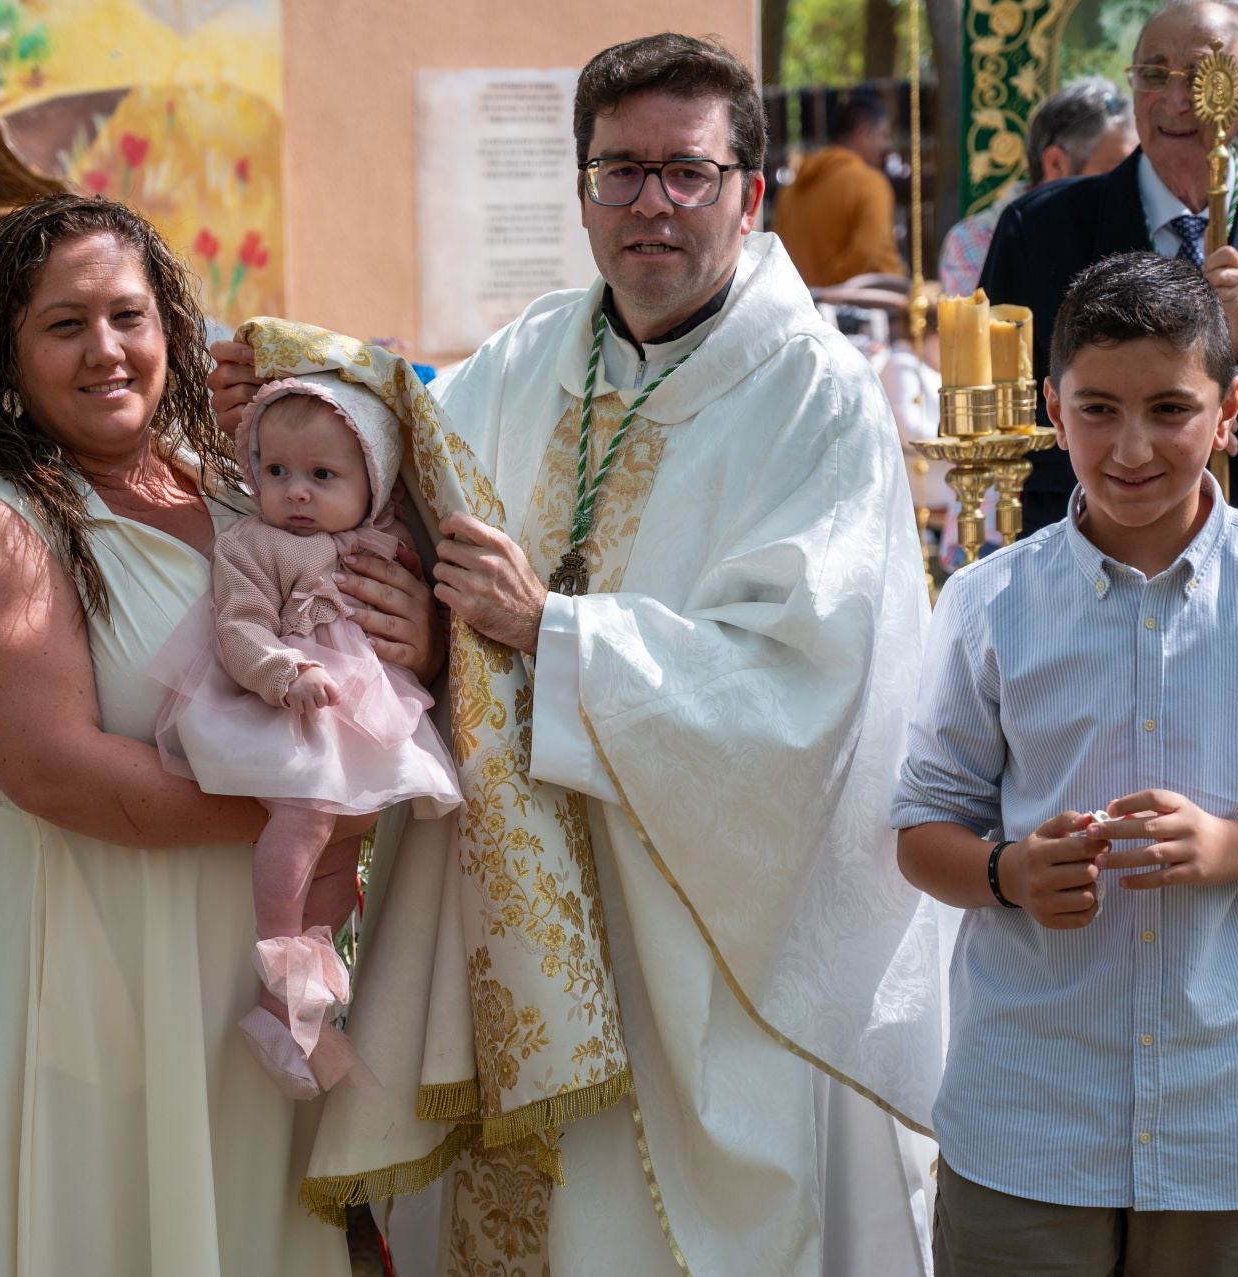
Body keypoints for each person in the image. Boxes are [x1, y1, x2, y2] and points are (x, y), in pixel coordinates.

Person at [214, 32, 948, 1277]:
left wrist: (553, 631)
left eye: (686, 172)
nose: (650, 203)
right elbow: (382, 501)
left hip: (702, 928)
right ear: (582, 189)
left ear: (749, 193)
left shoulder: (816, 396)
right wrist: (291, 415)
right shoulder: (530, 356)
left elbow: (810, 682)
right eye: (619, 172)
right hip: (504, 907)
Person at [0, 194, 440, 1276]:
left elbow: (368, 648)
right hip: (80, 939)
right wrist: (306, 817)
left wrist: (417, 639)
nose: (107, 349)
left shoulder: (246, 490)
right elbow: (56, 766)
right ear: (7, 354)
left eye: (129, 316)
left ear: (171, 331)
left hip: (238, 950)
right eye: (64, 324)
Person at [894, 251, 1238, 1274]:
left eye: (1170, 408)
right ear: (1051, 406)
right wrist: (1007, 872)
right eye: (1097, 409)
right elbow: (922, 829)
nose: (1132, 447)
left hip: (1226, 1110)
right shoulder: (990, 604)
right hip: (1031, 1107)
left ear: (1228, 410)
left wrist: (1234, 844)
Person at [150, 370, 459, 1099]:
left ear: (372, 483)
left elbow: (420, 616)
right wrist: (281, 671)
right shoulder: (254, 544)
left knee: (347, 845)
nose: (296, 491)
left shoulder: (385, 540)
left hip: (363, 707)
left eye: (322, 475)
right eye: (277, 471)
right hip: (297, 703)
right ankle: (280, 951)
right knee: (307, 813)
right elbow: (240, 625)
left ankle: (294, 1004)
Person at [980, 0, 1238, 544]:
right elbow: (1005, 425)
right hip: (1084, 568)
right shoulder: (1041, 228)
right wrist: (1170, 436)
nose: (1174, 100)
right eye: (1153, 74)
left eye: (1203, 78)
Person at [938, 77, 1139, 296]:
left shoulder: (1134, 228)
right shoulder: (975, 240)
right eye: (1115, 173)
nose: (1130, 186)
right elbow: (983, 328)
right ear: (1056, 164)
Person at [773, 90, 904, 285]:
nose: (887, 145)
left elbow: (778, 256)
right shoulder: (871, 184)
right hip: (865, 307)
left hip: (803, 306)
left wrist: (815, 297)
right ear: (864, 134)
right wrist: (832, 291)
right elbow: (867, 254)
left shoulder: (790, 191)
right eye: (884, 135)